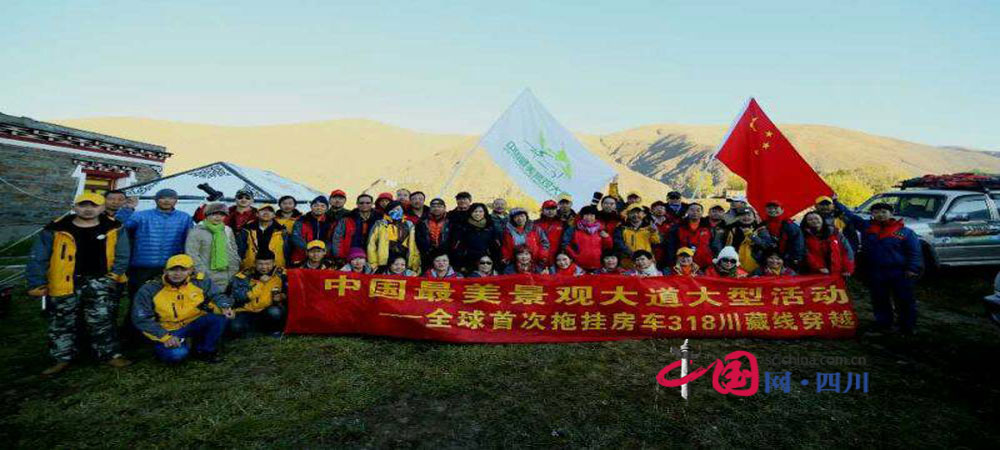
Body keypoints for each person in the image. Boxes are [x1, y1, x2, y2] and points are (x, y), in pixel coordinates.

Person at [25, 193, 132, 375]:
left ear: (101, 208)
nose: (88, 209)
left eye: (94, 205)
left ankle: (109, 354)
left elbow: (122, 254)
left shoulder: (114, 227)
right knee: (62, 321)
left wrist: (113, 276)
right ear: (75, 207)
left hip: (99, 281)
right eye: (83, 205)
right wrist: (36, 282)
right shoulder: (56, 228)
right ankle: (61, 358)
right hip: (63, 281)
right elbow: (38, 257)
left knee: (102, 320)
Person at [836, 199, 922, 335]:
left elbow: (914, 252)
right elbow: (850, 215)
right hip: (875, 271)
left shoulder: (905, 232)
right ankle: (883, 324)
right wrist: (835, 201)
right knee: (879, 299)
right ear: (872, 214)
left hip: (899, 272)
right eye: (876, 212)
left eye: (884, 212)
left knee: (904, 300)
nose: (880, 215)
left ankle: (907, 326)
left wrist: (912, 269)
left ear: (891, 213)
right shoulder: (867, 227)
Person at [131, 254, 234, 364]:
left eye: (183, 269)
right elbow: (142, 319)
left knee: (220, 317)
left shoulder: (200, 281)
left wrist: (225, 306)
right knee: (177, 355)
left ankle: (205, 350)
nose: (177, 274)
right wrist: (165, 337)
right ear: (165, 271)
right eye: (173, 269)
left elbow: (217, 295)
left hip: (194, 322)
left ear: (190, 271)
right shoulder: (149, 289)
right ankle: (166, 347)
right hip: (169, 330)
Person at [124, 188, 193, 304]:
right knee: (137, 298)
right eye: (163, 198)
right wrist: (127, 209)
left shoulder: (184, 217)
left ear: (176, 201)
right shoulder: (141, 216)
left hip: (171, 266)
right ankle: (133, 321)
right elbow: (120, 227)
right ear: (156, 200)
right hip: (142, 265)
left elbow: (191, 239)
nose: (166, 201)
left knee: (167, 300)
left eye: (171, 198)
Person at [228, 249, 286, 337]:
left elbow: (291, 290)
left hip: (267, 310)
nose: (264, 267)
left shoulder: (281, 274)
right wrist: (260, 283)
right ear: (255, 263)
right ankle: (258, 329)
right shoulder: (244, 276)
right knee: (235, 327)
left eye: (267, 264)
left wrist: (283, 296)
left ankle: (272, 330)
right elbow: (241, 297)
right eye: (260, 264)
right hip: (246, 311)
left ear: (274, 263)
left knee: (275, 312)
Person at [185, 202, 240, 291]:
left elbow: (233, 250)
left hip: (227, 274)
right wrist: (202, 273)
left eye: (222, 214)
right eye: (214, 214)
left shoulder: (227, 230)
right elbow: (192, 254)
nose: (218, 217)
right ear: (207, 215)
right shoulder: (196, 231)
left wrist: (235, 267)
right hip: (207, 275)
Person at [367, 201, 421, 272]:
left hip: (403, 259)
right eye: (393, 209)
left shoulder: (409, 224)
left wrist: (414, 263)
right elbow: (371, 245)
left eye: (398, 209)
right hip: (384, 260)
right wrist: (373, 263)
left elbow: (413, 245)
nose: (396, 211)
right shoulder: (380, 224)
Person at [449, 203, 501, 273]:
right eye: (475, 211)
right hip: (467, 261)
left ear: (485, 213)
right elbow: (458, 246)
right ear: (470, 212)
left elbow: (495, 247)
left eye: (480, 211)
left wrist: (495, 264)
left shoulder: (490, 226)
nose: (478, 214)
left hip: (486, 261)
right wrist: (460, 265)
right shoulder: (463, 226)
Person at [718, 208, 774, 274]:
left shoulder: (761, 229)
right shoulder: (732, 229)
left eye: (749, 215)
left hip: (757, 267)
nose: (746, 217)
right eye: (742, 215)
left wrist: (752, 235)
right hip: (734, 266)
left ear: (754, 217)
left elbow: (767, 245)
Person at [800, 211, 854, 277]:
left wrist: (847, 268)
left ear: (822, 219)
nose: (814, 221)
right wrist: (819, 267)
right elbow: (806, 254)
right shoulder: (803, 236)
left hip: (838, 271)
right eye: (810, 220)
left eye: (816, 218)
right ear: (806, 222)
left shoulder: (835, 233)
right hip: (815, 273)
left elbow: (846, 251)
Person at [561, 205, 613, 271]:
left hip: (598, 265)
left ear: (595, 217)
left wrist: (607, 238)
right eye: (586, 215)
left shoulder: (600, 229)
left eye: (592, 215)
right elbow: (565, 244)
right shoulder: (574, 229)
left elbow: (608, 247)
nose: (589, 218)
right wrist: (575, 256)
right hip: (579, 265)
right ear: (582, 216)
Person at [237, 204, 287, 271]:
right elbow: (240, 250)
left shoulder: (282, 231)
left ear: (274, 215)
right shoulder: (246, 230)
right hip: (250, 268)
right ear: (257, 214)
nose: (266, 213)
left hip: (276, 270)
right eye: (263, 211)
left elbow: (287, 251)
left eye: (270, 211)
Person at [331, 194, 379, 263]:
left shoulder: (379, 220)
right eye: (361, 203)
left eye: (368, 203)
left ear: (372, 204)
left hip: (372, 257)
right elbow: (337, 238)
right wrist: (339, 256)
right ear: (357, 204)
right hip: (349, 256)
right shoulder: (346, 219)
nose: (364, 205)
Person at [666, 203, 714, 269]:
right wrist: (672, 261)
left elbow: (712, 244)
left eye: (698, 210)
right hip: (685, 263)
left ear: (702, 212)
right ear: (687, 211)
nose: (695, 212)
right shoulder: (678, 227)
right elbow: (671, 246)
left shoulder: (708, 226)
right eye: (692, 210)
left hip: (705, 263)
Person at [290, 196, 334, 265]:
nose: (319, 208)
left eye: (322, 206)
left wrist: (323, 251)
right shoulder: (301, 220)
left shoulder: (331, 221)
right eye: (315, 205)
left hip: (324, 256)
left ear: (327, 208)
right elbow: (296, 237)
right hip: (302, 254)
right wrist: (309, 250)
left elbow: (333, 239)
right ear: (311, 207)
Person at [761, 200, 805, 269]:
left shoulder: (790, 225)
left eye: (775, 208)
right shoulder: (763, 224)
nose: (772, 210)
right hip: (767, 260)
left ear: (782, 210)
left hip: (787, 259)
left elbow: (798, 242)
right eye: (770, 208)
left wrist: (796, 258)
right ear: (766, 210)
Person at [416, 198, 452, 271]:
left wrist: (446, 250)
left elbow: (453, 238)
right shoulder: (422, 221)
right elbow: (419, 238)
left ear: (444, 208)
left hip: (446, 254)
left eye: (439, 206)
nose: (436, 208)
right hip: (427, 254)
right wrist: (427, 249)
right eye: (433, 206)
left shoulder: (451, 220)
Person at [535, 200, 567, 266]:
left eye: (553, 209)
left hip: (556, 261)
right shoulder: (535, 223)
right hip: (538, 259)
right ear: (543, 210)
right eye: (547, 209)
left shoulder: (563, 224)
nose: (550, 211)